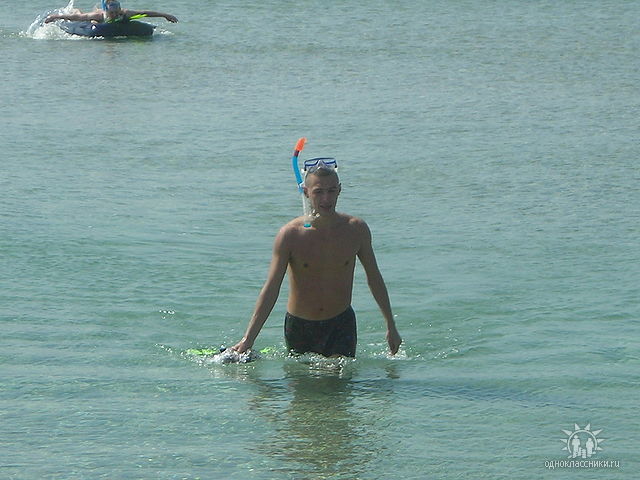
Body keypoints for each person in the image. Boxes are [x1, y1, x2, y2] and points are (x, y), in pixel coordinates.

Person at [232, 158, 402, 358]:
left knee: (338, 376)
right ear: (306, 192)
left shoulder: (356, 229)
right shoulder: (290, 235)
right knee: (304, 379)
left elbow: (374, 277)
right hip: (300, 326)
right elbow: (271, 288)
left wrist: (391, 325)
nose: (326, 199)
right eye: (319, 192)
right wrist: (248, 339)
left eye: (331, 191)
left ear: (339, 190)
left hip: (341, 324)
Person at [44, 0, 178, 24]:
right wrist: (55, 17)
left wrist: (165, 15)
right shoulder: (99, 15)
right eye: (111, 13)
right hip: (98, 19)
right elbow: (77, 18)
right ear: (107, 11)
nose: (114, 15)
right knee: (84, 16)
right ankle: (74, 7)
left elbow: (145, 12)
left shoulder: (124, 13)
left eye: (116, 12)